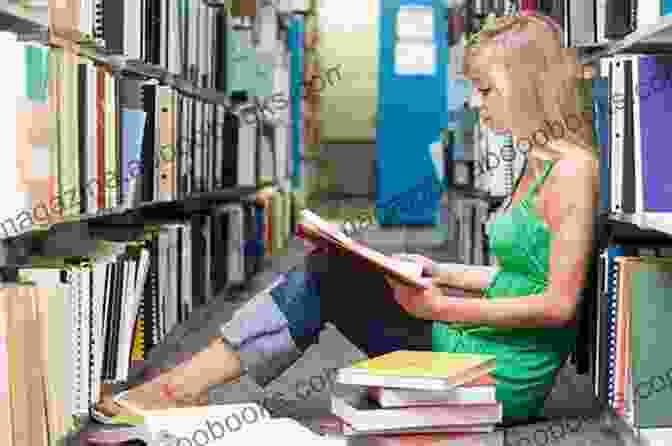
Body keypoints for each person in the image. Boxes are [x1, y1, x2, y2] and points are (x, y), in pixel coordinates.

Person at [96, 11, 599, 425]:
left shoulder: (573, 171)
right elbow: (518, 277)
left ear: (528, 84)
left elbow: (557, 304)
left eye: (486, 90)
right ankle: (180, 386)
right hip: (475, 341)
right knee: (333, 265)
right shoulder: (537, 160)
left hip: (500, 373)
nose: (475, 104)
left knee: (328, 273)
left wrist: (440, 308)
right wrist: (438, 271)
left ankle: (178, 387)